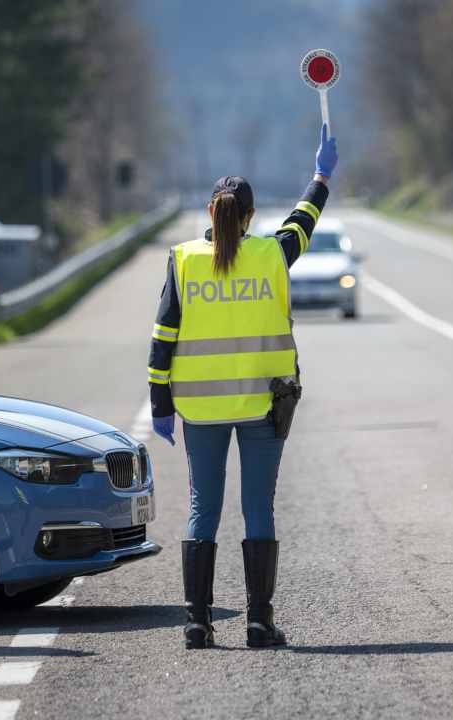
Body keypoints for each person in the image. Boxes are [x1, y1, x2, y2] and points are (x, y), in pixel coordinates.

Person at [147, 125, 338, 649]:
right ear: (250, 216)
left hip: (200, 410)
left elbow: (163, 337)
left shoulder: (184, 260)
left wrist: (160, 403)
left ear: (211, 213)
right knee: (258, 507)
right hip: (261, 405)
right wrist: (320, 176)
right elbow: (304, 220)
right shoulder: (272, 254)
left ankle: (196, 623)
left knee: (201, 509)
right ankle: (258, 622)